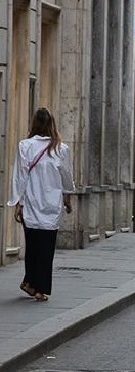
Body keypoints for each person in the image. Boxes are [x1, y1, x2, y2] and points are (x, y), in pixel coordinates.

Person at [8, 108, 75, 302]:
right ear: (52, 124)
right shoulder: (61, 149)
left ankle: (30, 281)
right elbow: (67, 176)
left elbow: (20, 176)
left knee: (32, 246)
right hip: (51, 205)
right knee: (46, 248)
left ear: (34, 124)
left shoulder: (25, 146)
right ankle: (39, 287)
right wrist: (67, 197)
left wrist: (18, 202)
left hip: (31, 202)